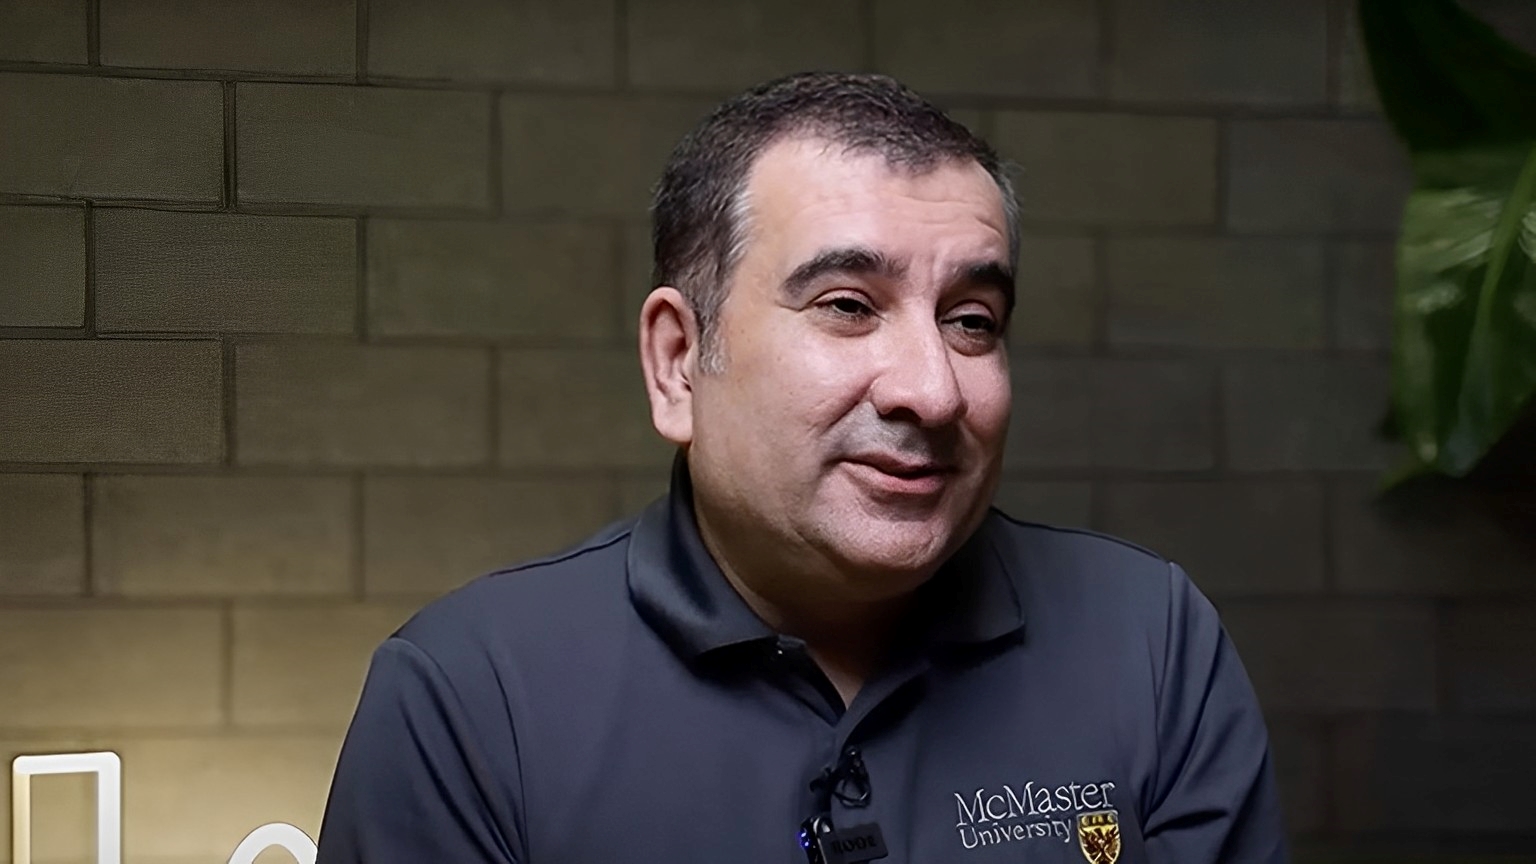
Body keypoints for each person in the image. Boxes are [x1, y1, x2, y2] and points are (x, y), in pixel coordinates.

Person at [316, 71, 1287, 864]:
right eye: (847, 306)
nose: (933, 391)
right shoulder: (473, 700)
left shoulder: (1150, 643)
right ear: (677, 362)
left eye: (972, 321)